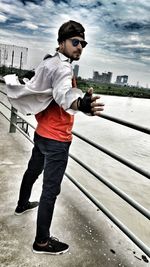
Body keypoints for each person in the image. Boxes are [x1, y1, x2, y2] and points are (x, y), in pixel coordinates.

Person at [14, 20, 105, 255]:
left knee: (32, 171)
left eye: (83, 44)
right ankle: (42, 242)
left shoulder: (48, 62)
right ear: (62, 42)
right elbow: (64, 95)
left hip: (42, 133)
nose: (80, 47)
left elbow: (42, 83)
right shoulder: (63, 68)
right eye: (75, 42)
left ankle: (22, 204)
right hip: (56, 140)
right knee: (50, 191)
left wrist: (31, 75)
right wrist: (81, 104)